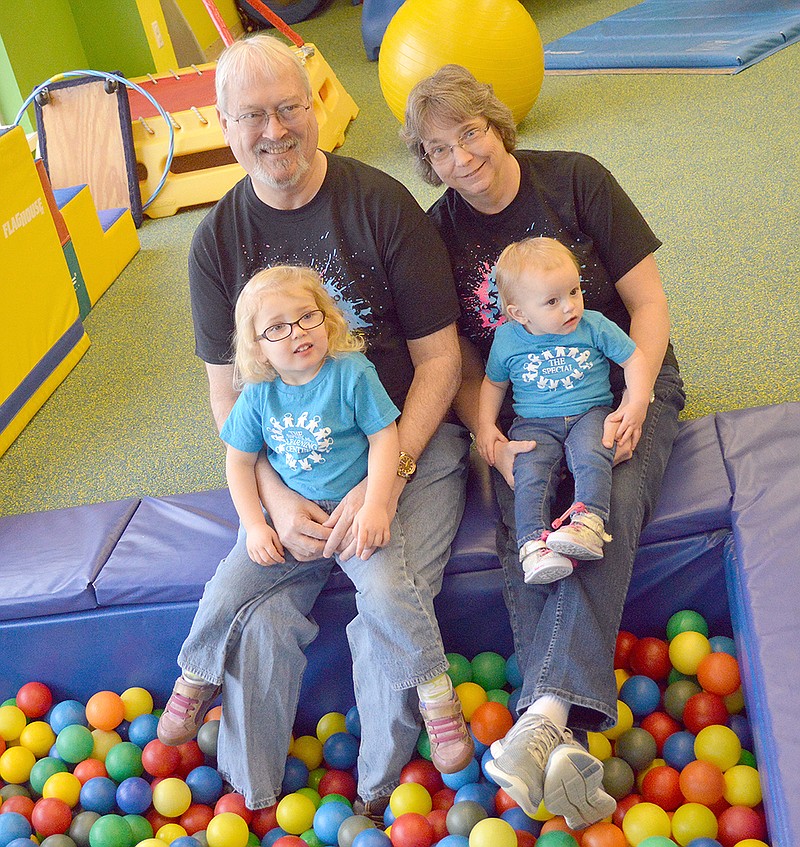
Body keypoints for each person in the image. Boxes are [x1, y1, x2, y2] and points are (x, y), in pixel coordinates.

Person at [178, 35, 473, 816]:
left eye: (288, 108)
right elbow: (225, 396)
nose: (274, 131)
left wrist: (387, 478)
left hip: (405, 440)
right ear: (223, 123)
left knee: (388, 589)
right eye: (252, 116)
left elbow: (440, 360)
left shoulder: (379, 205)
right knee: (262, 613)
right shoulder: (215, 243)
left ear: (316, 108)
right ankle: (253, 801)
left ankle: (376, 799)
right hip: (294, 465)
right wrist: (272, 498)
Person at [402, 64, 685, 828]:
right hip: (522, 409)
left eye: (471, 132)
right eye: (439, 148)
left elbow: (648, 301)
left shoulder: (575, 181)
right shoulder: (437, 232)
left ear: (497, 125)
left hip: (619, 383)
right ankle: (558, 741)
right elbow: (459, 359)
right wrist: (487, 436)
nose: (461, 157)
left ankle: (543, 711)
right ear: (426, 162)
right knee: (522, 516)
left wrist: (636, 395)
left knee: (611, 496)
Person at [161, 265, 474, 771]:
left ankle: (436, 696)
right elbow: (238, 462)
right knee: (225, 587)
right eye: (277, 328)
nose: (297, 334)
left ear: (327, 321)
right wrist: (258, 524)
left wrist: (376, 501)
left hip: (355, 513)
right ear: (258, 347)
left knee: (391, 590)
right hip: (292, 519)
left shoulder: (351, 373)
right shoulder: (260, 395)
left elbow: (383, 437)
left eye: (307, 318)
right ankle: (195, 676)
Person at [477, 237, 650, 585]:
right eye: (552, 301)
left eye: (574, 292)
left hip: (590, 412)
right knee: (529, 471)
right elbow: (493, 384)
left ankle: (589, 523)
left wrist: (636, 402)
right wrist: (484, 425)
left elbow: (634, 359)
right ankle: (532, 545)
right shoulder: (508, 340)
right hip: (534, 423)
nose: (570, 307)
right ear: (519, 313)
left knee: (592, 452)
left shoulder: (594, 325)